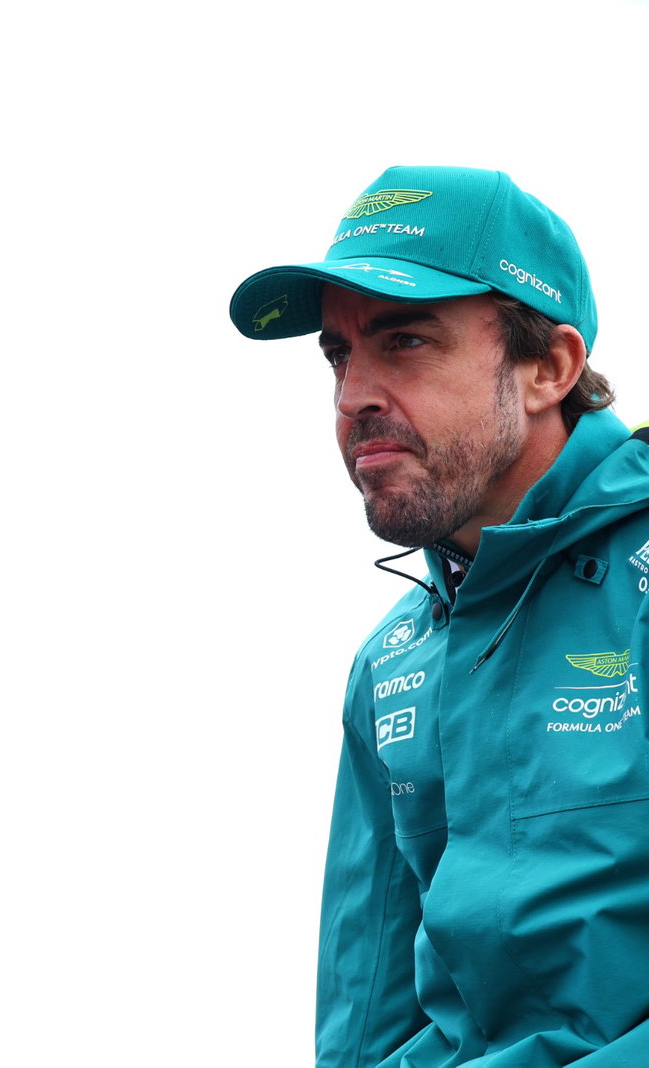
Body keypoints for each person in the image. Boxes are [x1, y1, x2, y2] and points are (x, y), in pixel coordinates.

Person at [230, 166, 649, 1066]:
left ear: (550, 368)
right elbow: (361, 1023)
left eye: (406, 341)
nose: (354, 398)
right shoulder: (390, 664)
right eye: (340, 356)